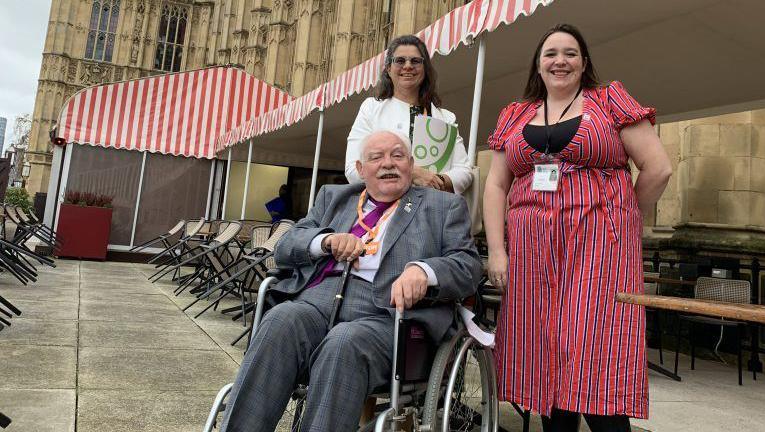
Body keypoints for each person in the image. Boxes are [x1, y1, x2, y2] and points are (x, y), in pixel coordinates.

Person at [220, 130, 482, 432]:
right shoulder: (333, 197)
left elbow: (468, 266)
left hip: (386, 316)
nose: (388, 164)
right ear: (360, 170)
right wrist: (326, 240)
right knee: (280, 319)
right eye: (376, 157)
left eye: (398, 156)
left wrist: (424, 271)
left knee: (344, 343)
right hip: (317, 302)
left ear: (410, 164)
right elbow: (286, 245)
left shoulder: (442, 207)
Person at [483, 24, 672, 431]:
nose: (560, 60)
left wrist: (623, 217)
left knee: (593, 346)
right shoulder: (514, 114)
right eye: (551, 53)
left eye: (571, 53)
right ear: (538, 64)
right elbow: (497, 185)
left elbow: (658, 167)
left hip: (598, 247)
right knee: (544, 349)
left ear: (584, 63)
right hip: (532, 252)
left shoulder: (609, 101)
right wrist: (498, 250)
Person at [346, 35, 473, 194]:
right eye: (400, 61)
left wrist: (434, 179)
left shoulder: (445, 117)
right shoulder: (371, 108)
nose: (408, 66)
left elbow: (464, 172)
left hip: (430, 207)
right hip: (383, 211)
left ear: (425, 69)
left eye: (415, 61)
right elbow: (353, 169)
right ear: (388, 69)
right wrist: (411, 173)